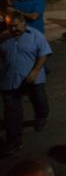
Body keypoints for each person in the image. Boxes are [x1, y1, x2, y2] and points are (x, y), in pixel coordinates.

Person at [0, 12, 52, 155]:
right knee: (11, 111)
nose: (13, 29)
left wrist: (35, 71)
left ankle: (41, 116)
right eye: (10, 26)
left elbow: (44, 53)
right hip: (9, 80)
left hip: (32, 78)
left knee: (38, 100)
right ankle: (14, 141)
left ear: (24, 23)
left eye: (16, 26)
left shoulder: (35, 35)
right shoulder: (3, 37)